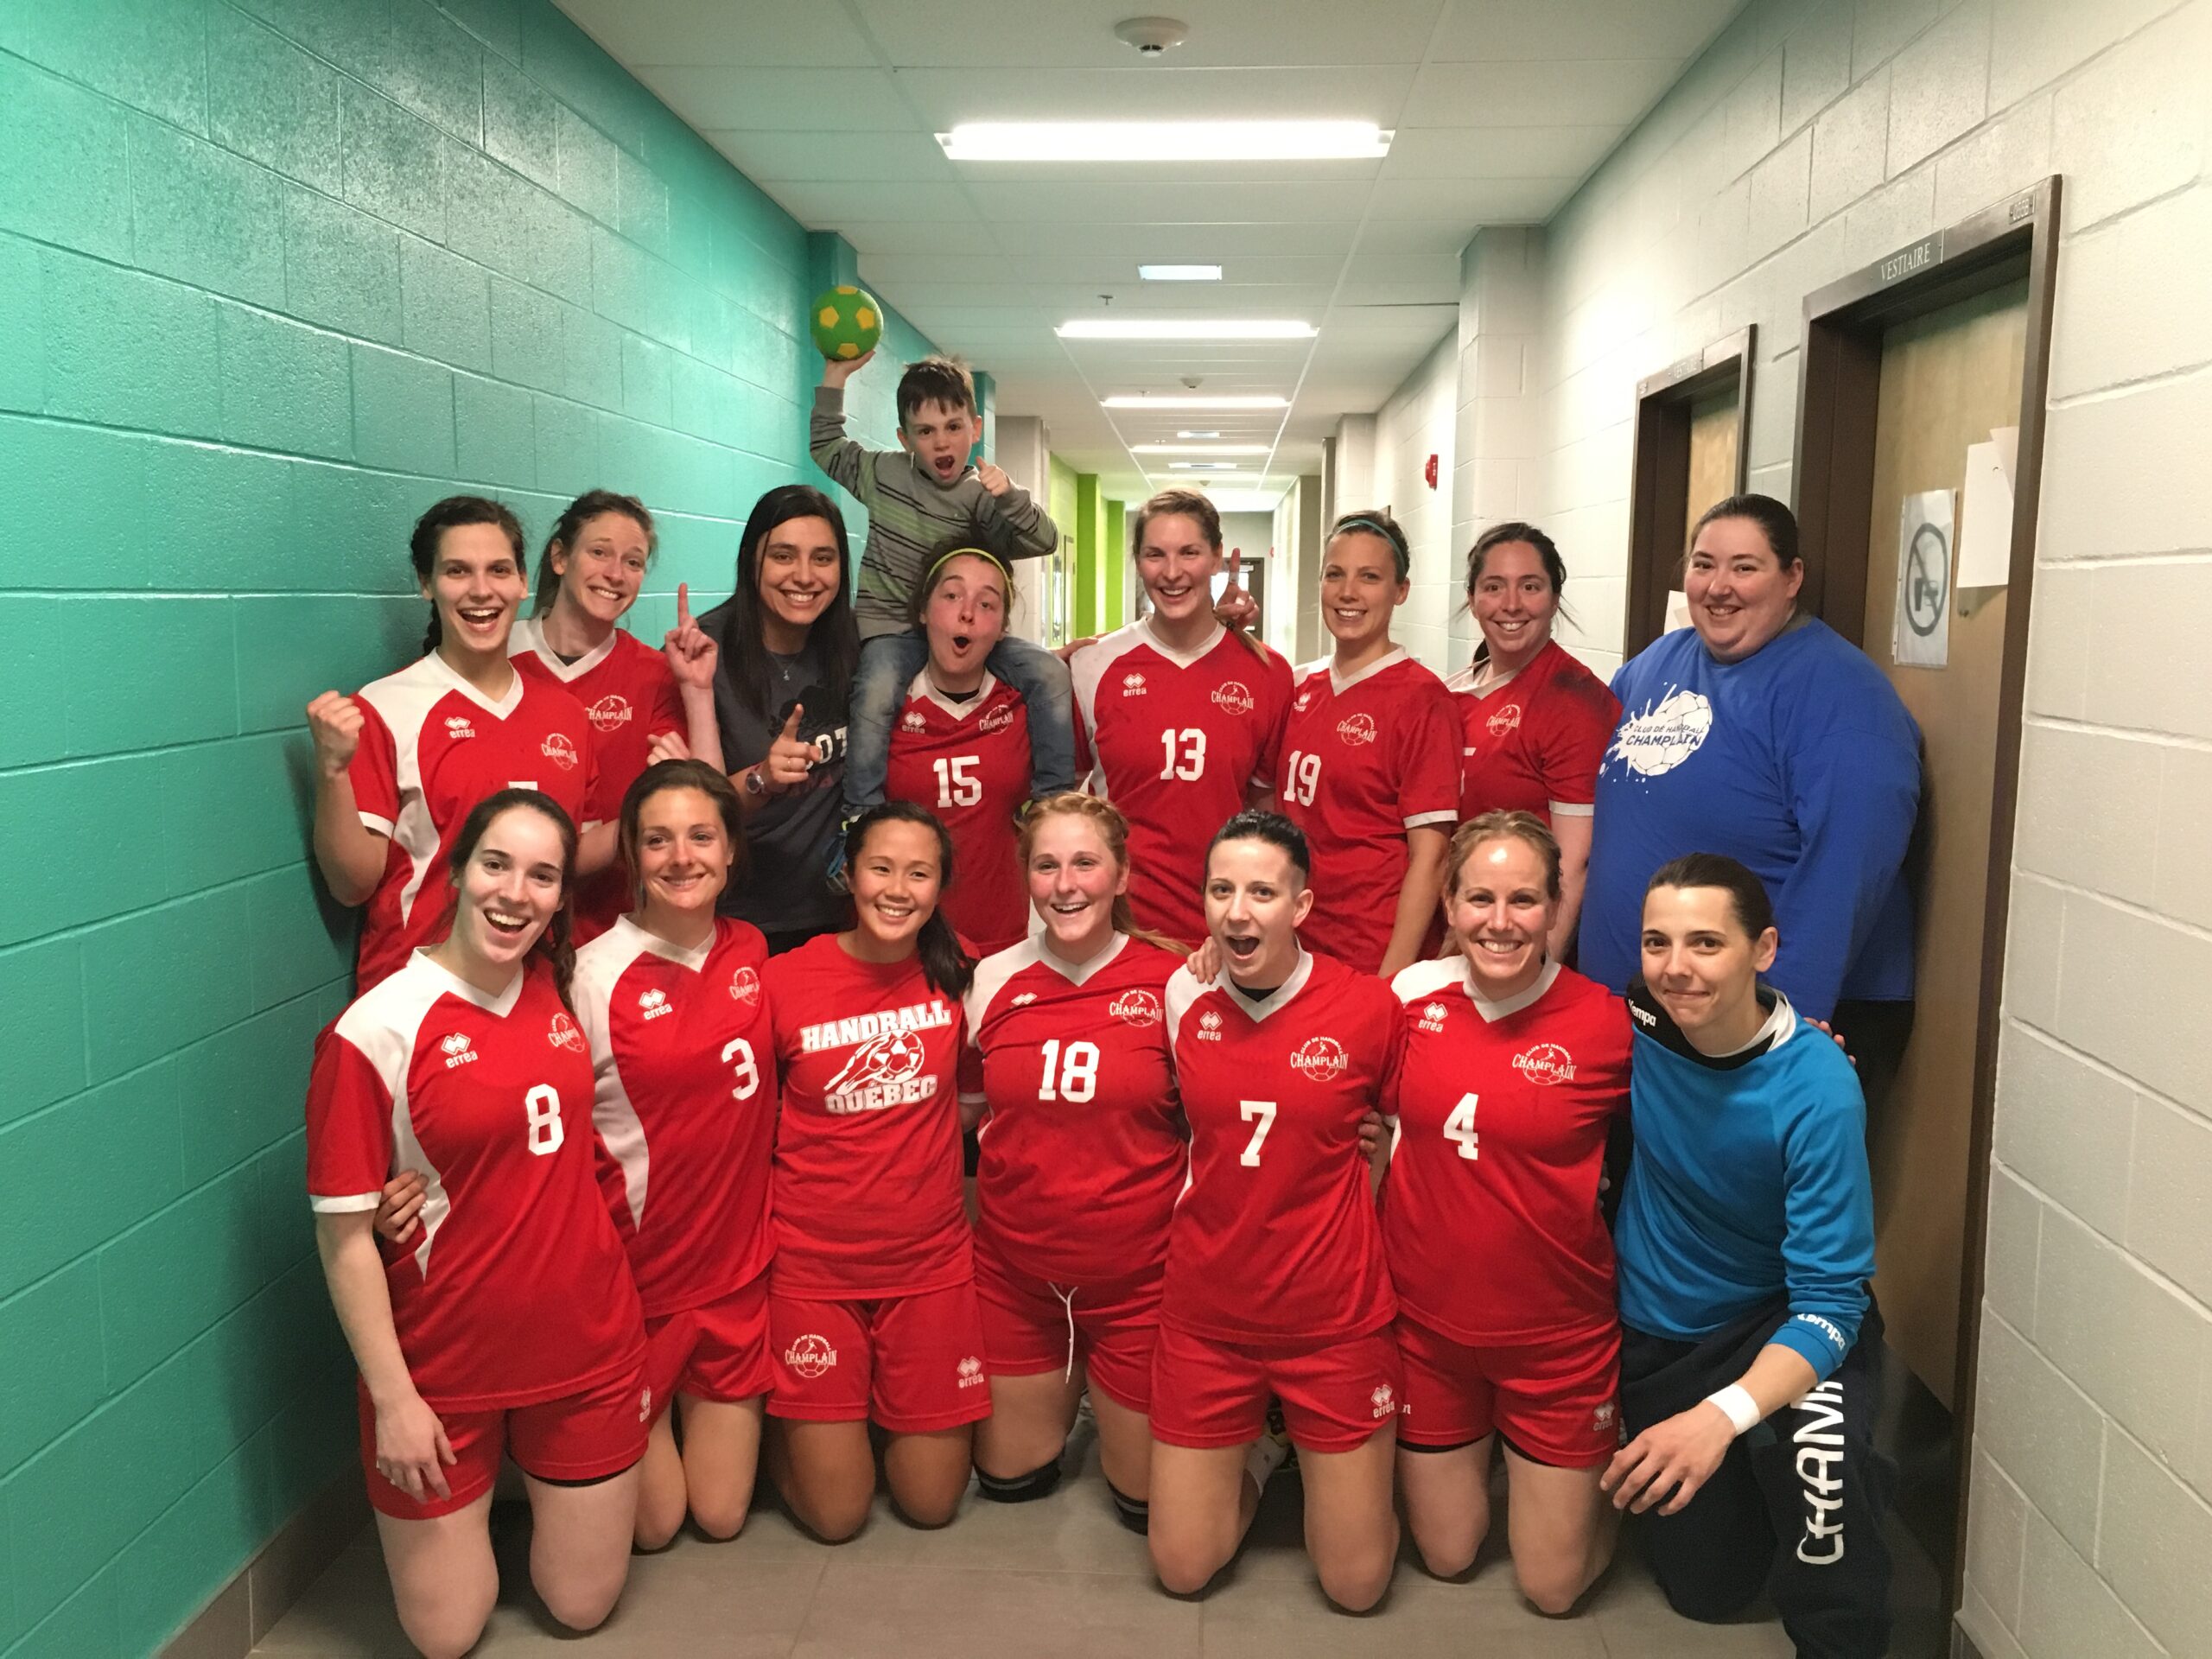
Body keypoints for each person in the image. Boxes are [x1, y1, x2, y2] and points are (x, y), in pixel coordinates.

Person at [306, 791, 645, 1659]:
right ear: (457, 872)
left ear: (563, 896)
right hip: (441, 1370)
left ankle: (522, 1503)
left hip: (585, 1348)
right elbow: (344, 1238)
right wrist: (394, 1399)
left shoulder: (551, 987)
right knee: (447, 1634)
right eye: (496, 864)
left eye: (543, 876)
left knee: (579, 1605)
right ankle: (474, 1514)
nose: (515, 893)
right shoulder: (375, 1029)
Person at [1602, 854, 1892, 1657]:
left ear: (1762, 950)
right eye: (1657, 944)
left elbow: (1834, 1303)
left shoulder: (1819, 1087)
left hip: (1778, 1318)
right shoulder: (1636, 1020)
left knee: (1824, 1473)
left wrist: (1718, 1419)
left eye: (1705, 944)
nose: (1676, 969)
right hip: (1661, 1334)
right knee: (1709, 1593)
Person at [1581, 494, 1921, 1103]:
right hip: (1650, 1017)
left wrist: (1767, 1031)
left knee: (1739, 1197)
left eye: (1745, 567)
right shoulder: (1658, 662)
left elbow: (1845, 872)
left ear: (1792, 579)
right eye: (1703, 564)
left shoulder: (1840, 694)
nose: (1718, 587)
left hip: (1758, 1028)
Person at [1149, 810, 1402, 1611]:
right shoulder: (1184, 994)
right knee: (1184, 1569)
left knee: (1357, 1589)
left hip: (1333, 1316)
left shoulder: (1369, 1007)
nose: (1237, 911)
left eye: (1262, 891)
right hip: (1208, 1311)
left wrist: (1378, 1148)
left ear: (1302, 905)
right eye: (1221, 890)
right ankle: (1261, 1450)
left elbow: (1404, 1130)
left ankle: (1309, 1444)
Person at [1381, 811, 1630, 1612]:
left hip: (1556, 1340)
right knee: (1449, 1556)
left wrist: (1802, 1049)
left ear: (1557, 908)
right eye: (1479, 898)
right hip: (1429, 1332)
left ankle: (1578, 1462)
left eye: (1523, 899)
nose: (1499, 921)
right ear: (1447, 906)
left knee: (1553, 1590)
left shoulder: (1610, 1024)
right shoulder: (1408, 998)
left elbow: (1712, 1077)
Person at [958, 794, 1187, 1531]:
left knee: (1146, 1505)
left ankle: (1250, 1443)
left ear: (1121, 876)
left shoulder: (1177, 982)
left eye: (1086, 863)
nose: (1066, 885)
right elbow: (965, 1117)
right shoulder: (991, 980)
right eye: (1046, 865)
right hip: (1020, 1279)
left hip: (1139, 1282)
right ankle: (1070, 1386)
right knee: (1007, 1481)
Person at [760, 803, 988, 1539]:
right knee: (837, 1518)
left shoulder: (965, 975)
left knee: (930, 1506)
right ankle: (784, 1426)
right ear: (848, 875)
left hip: (928, 1267)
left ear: (940, 886)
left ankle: (871, 1409)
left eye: (919, 873)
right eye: (880, 868)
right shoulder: (783, 980)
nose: (898, 889)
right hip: (812, 1270)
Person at [307, 497, 611, 990]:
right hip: (419, 990)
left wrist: (664, 809)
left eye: (498, 569)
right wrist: (333, 771)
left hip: (535, 990)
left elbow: (576, 849)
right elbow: (352, 885)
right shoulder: (385, 707)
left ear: (522, 582)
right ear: (427, 584)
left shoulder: (566, 714)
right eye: (457, 571)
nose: (481, 590)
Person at [813, 351, 1074, 836]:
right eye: (926, 432)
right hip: (891, 626)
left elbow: (1044, 540)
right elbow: (826, 445)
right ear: (904, 439)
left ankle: (1050, 803)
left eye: (953, 427)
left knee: (1049, 672)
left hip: (965, 630)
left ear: (975, 428)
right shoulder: (883, 474)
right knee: (874, 695)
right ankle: (860, 815)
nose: (941, 442)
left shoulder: (982, 496)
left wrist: (1012, 497)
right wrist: (835, 376)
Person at [1069, 490, 1294, 948]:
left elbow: (1266, 807)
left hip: (1228, 925)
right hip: (1119, 924)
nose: (1171, 573)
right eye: (1155, 554)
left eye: (1189, 553)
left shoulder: (1268, 673)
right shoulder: (1092, 666)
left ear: (1216, 558)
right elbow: (1068, 801)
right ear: (1137, 561)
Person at [507, 490, 725, 939]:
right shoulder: (498, 655)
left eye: (633, 561)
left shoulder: (652, 673)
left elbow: (708, 798)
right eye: (600, 552)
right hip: (508, 917)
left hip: (614, 927)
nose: (615, 574)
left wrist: (697, 690)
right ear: (560, 557)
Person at [1275, 509, 1459, 976]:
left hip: (1370, 951)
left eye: (1369, 577)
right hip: (1294, 943)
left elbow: (1431, 855)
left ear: (1400, 591)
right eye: (1334, 574)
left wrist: (1392, 977)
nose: (1348, 592)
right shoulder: (1300, 687)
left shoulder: (1422, 698)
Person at [696, 486, 860, 954]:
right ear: (752, 561)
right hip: (735, 919)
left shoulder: (855, 643)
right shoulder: (705, 653)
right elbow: (694, 809)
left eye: (823, 558)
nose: (805, 577)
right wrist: (762, 779)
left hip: (839, 912)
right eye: (784, 556)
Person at [1445, 523, 1619, 958]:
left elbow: (1574, 865)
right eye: (1493, 587)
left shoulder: (1572, 700)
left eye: (1530, 586)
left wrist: (1539, 974)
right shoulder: (1452, 692)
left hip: (1519, 940)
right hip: (1463, 924)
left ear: (1555, 597)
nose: (1511, 604)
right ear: (1472, 598)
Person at [884, 546, 1033, 954]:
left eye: (986, 603)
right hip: (900, 939)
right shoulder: (881, 709)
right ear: (923, 611)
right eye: (951, 596)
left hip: (1000, 936)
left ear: (1002, 627)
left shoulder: (1025, 705)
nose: (967, 613)